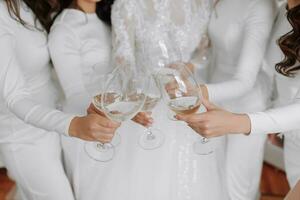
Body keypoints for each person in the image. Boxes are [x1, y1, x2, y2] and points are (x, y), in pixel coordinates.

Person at [106, 0, 229, 199]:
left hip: (188, 97)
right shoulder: (127, 4)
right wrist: (135, 98)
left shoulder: (201, 3)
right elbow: (123, 58)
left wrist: (188, 68)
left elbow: (204, 49)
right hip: (147, 100)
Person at [0, 0, 119, 199]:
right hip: (24, 137)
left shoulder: (27, 4)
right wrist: (73, 125)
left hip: (56, 123)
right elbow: (15, 98)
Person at [177, 0, 300, 190]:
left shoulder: (264, 8)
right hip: (290, 134)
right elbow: (275, 74)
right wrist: (273, 118)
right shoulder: (286, 10)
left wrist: (241, 122)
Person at [189, 0, 277, 199]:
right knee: (214, 178)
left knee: (237, 186)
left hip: (246, 105)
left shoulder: (259, 5)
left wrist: (197, 92)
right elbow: (209, 48)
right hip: (214, 99)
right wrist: (190, 67)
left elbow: (245, 81)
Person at [48, 0, 117, 198]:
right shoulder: (64, 29)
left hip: (112, 119)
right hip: (87, 125)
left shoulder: (106, 18)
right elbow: (74, 93)